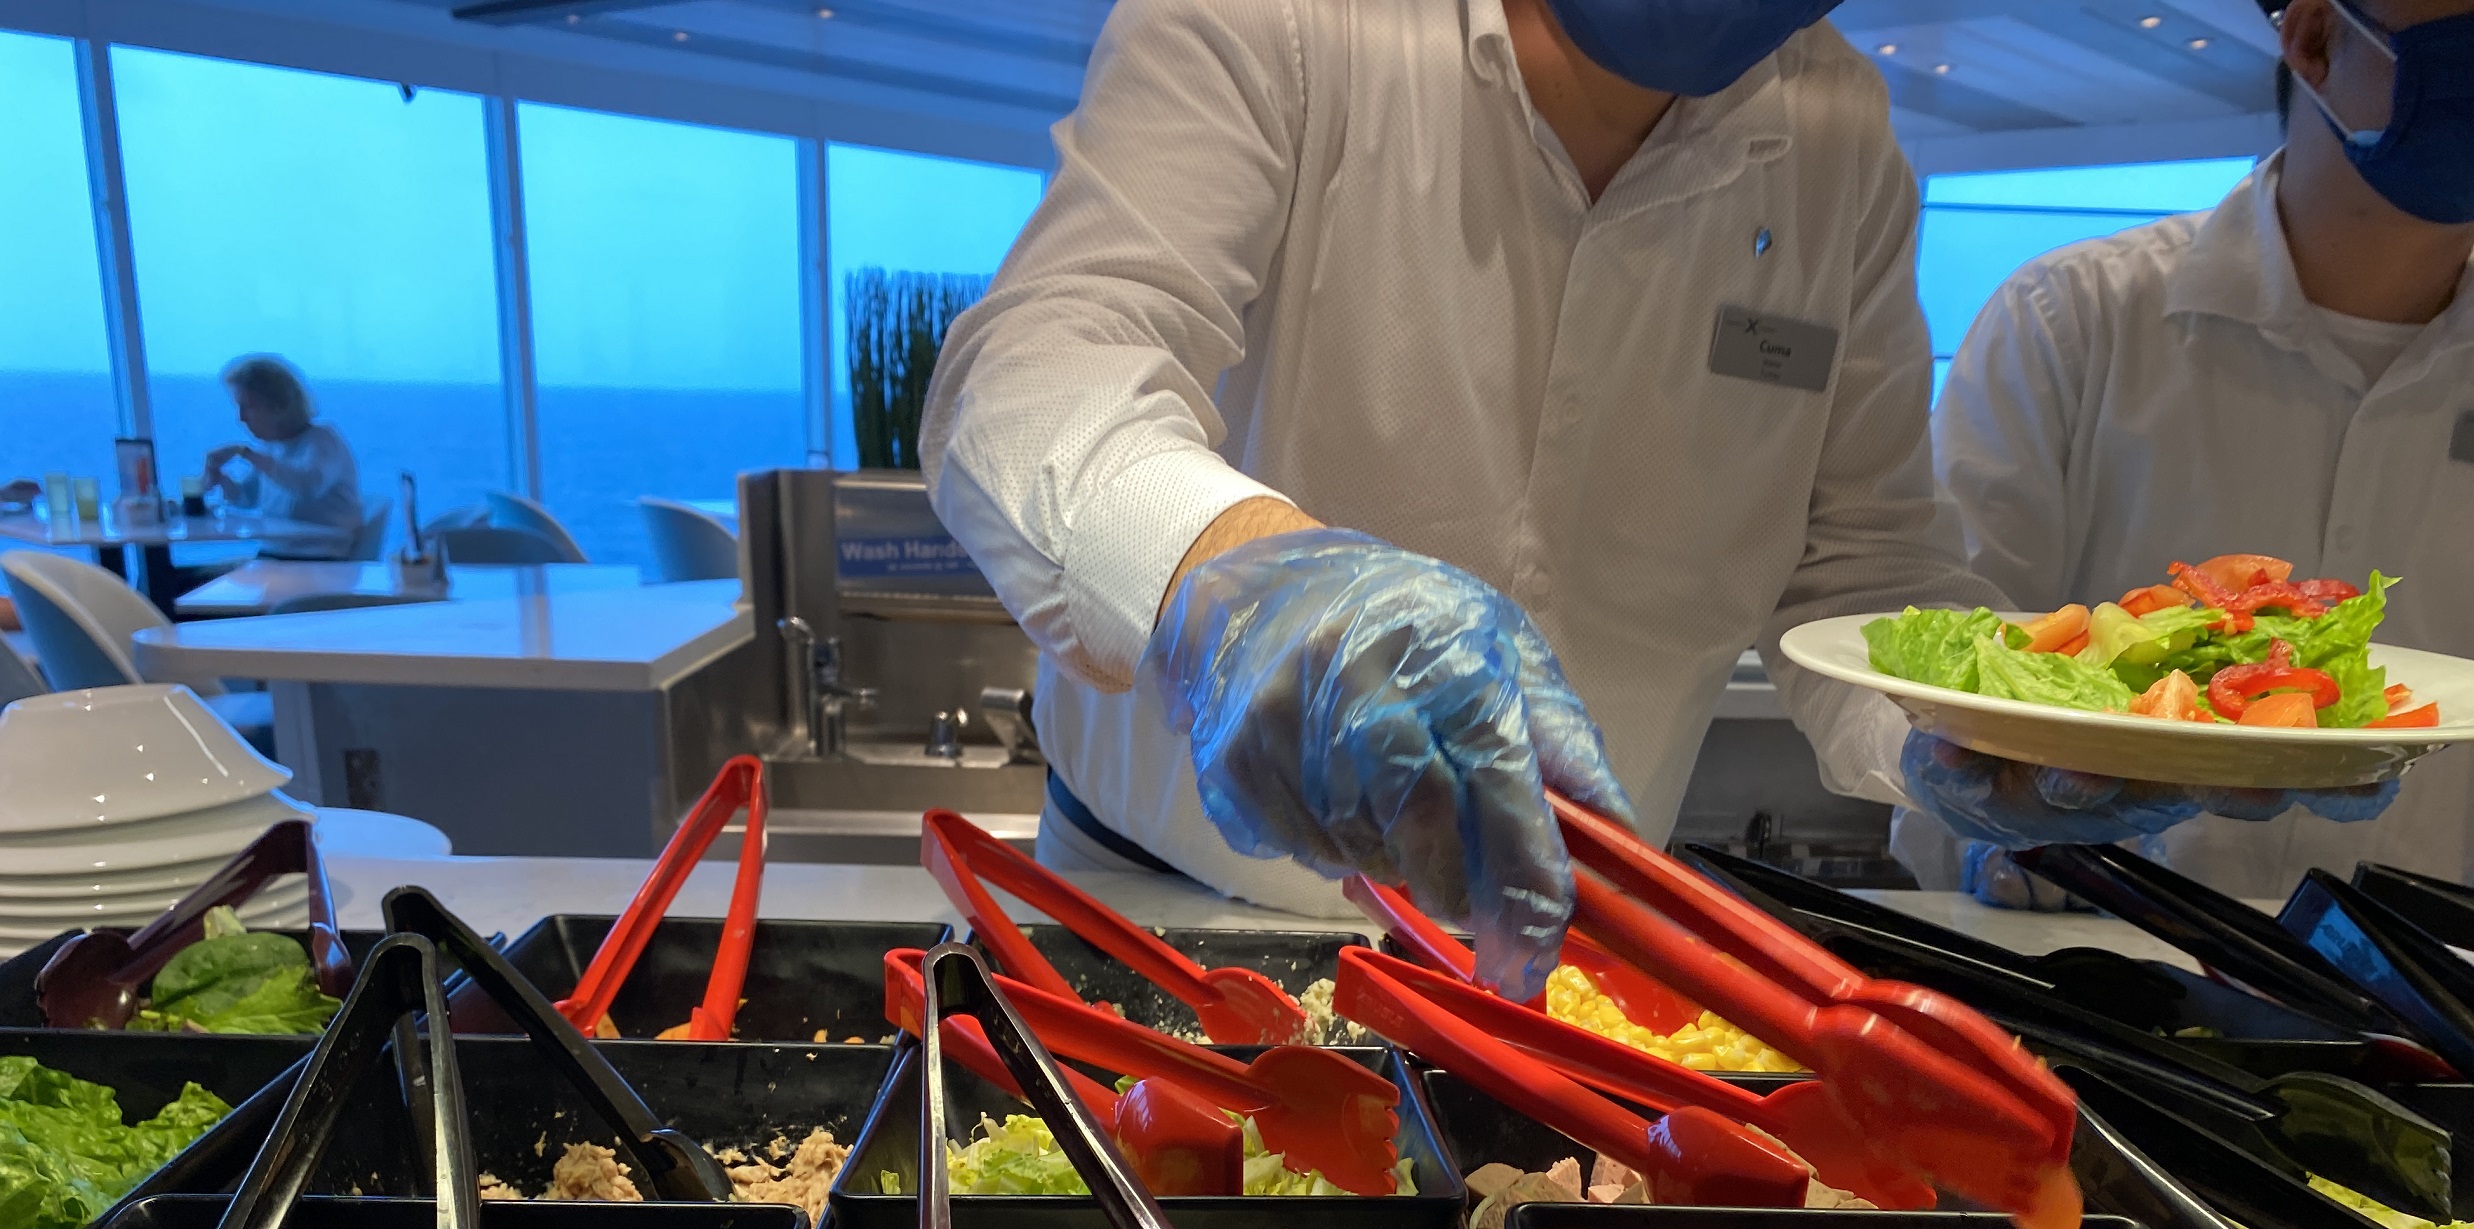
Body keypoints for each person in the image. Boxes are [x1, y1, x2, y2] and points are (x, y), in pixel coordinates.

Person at [924, 0, 2373, 995]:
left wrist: (1978, 731)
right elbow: (1042, 366)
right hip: (1171, 926)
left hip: (1570, 954)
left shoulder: (1837, 137)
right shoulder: (1284, 26)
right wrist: (1241, 580)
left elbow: (1862, 564)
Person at [1920, 0, 2474, 906]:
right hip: (2068, 953)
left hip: (2410, 990)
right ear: (2314, 39)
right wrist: (1995, 822)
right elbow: (1953, 662)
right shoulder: (2075, 319)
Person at [200, 355, 363, 560]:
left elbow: (307, 483)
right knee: (183, 581)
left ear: (278, 405)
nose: (240, 418)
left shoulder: (322, 441)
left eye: (248, 407)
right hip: (276, 556)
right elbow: (247, 498)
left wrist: (245, 453)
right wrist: (220, 478)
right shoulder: (272, 448)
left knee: (189, 585)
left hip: (317, 560)